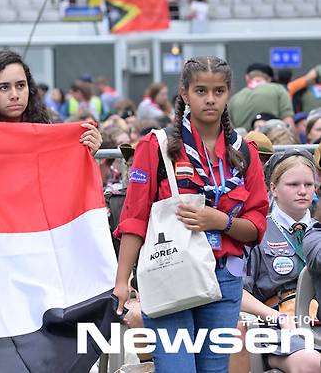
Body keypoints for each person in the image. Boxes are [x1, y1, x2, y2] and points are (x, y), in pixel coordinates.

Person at [113, 56, 269, 372]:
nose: (210, 99)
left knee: (215, 369)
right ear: (184, 93)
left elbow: (256, 224)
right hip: (169, 270)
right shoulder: (155, 146)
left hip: (225, 276)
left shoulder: (244, 151)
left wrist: (221, 221)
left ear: (228, 93)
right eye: (200, 91)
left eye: (218, 91)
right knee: (175, 367)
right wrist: (121, 280)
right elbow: (134, 218)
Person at [238, 149, 321, 373]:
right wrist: (277, 317)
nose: (303, 191)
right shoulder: (256, 232)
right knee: (312, 362)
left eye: (309, 184)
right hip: (279, 327)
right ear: (273, 189)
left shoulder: (318, 231)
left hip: (317, 321)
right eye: (293, 185)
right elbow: (236, 291)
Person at [0, 50, 102, 154]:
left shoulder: (47, 131)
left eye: (21, 85)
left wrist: (86, 154)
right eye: (4, 87)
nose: (14, 95)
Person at [228, 63, 294, 130]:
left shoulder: (234, 98)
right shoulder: (279, 90)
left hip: (244, 139)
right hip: (272, 139)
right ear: (269, 79)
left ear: (247, 77)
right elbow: (288, 122)